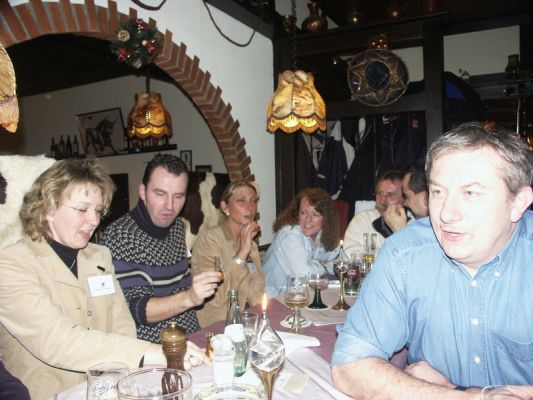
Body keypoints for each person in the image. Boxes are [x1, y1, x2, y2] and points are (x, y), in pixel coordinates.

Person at [332, 123, 533, 399]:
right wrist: (468, 397)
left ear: (519, 203)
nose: (446, 214)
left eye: (470, 193)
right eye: (438, 192)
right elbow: (349, 364)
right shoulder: (405, 253)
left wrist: (453, 390)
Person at [0, 158, 205, 400]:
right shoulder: (10, 264)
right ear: (48, 209)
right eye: (82, 209)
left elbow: (122, 328)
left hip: (108, 391)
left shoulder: (98, 256)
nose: (94, 221)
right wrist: (153, 352)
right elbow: (57, 342)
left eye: (98, 210)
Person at [101, 154, 221, 342]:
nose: (170, 206)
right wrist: (189, 297)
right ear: (143, 192)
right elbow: (134, 310)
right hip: (153, 350)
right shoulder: (121, 236)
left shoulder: (177, 227)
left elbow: (180, 286)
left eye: (178, 196)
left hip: (191, 339)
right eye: (160, 194)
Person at [191, 180, 264, 327]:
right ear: (225, 207)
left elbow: (257, 291)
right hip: (218, 327)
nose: (250, 208)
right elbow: (216, 297)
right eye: (241, 201)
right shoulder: (210, 240)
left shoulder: (251, 244)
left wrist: (266, 316)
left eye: (253, 201)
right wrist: (242, 254)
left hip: (248, 321)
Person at [263, 187, 340, 297]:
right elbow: (303, 274)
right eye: (303, 213)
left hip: (301, 296)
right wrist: (323, 266)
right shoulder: (289, 234)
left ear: (325, 218)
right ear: (296, 213)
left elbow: (337, 260)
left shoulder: (322, 234)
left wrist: (317, 265)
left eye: (315, 214)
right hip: (273, 300)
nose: (308, 220)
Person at [343, 170, 406, 256]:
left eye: (391, 195)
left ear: (404, 200)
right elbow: (350, 253)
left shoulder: (413, 225)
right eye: (380, 193)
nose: (383, 200)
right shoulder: (362, 220)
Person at [383, 159, 429, 232]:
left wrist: (399, 230)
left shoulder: (442, 228)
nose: (406, 203)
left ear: (426, 197)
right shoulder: (415, 223)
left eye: (407, 196)